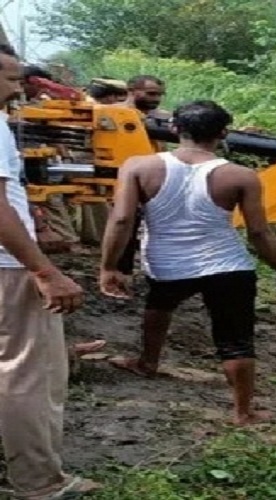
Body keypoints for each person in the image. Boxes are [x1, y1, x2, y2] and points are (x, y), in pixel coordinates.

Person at [99, 99, 276, 426]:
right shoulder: (241, 175)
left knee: (159, 305)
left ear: (175, 129)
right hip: (229, 266)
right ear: (223, 133)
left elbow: (121, 220)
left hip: (167, 264)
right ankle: (243, 412)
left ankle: (148, 363)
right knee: (235, 339)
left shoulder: (138, 166)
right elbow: (259, 232)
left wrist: (109, 266)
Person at [0, 44, 101, 498]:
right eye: (7, 76)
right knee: (29, 375)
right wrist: (44, 271)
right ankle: (39, 483)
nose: (17, 86)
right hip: (8, 268)